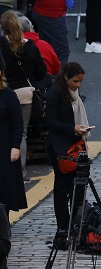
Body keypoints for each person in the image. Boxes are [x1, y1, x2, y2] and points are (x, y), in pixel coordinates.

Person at [43, 61, 89, 242]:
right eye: (75, 81)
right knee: (63, 187)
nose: (78, 85)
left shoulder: (73, 93)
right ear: (66, 78)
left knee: (79, 186)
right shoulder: (55, 94)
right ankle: (63, 226)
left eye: (80, 82)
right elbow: (50, 122)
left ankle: (75, 222)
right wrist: (72, 129)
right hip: (61, 147)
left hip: (76, 144)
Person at [1, 10, 45, 184]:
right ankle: (21, 172)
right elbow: (41, 71)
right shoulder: (30, 45)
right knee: (22, 133)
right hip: (26, 92)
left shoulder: (1, 45)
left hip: (5, 92)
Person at [0, 67, 24, 213]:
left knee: (5, 187)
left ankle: (3, 226)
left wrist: (15, 146)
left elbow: (17, 122)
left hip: (4, 148)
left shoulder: (8, 94)